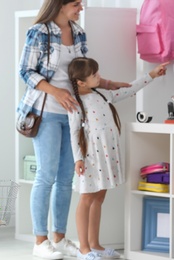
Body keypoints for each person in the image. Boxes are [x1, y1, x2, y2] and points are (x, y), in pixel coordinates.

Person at [17, 0, 131, 259]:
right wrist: (56, 91)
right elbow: (25, 71)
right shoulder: (39, 32)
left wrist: (108, 83)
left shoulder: (78, 32)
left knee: (66, 178)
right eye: (76, 3)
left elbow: (82, 72)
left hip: (74, 116)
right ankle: (40, 240)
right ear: (59, 4)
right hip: (45, 112)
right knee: (46, 175)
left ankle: (59, 237)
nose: (80, 7)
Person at [68, 57, 169, 260]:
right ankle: (83, 249)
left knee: (99, 197)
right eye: (94, 75)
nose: (99, 77)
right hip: (90, 157)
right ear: (80, 82)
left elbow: (129, 90)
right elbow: (74, 132)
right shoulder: (76, 103)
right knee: (86, 198)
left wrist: (151, 75)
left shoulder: (102, 94)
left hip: (107, 154)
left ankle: (95, 245)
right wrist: (78, 159)